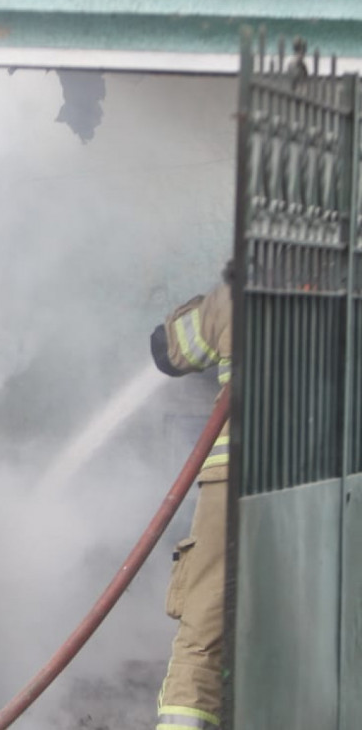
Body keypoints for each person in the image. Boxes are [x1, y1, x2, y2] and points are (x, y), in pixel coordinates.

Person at [149, 263, 232, 730]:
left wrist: (216, 292)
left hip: (233, 485)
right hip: (334, 479)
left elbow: (167, 349)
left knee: (203, 630)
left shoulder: (237, 297)